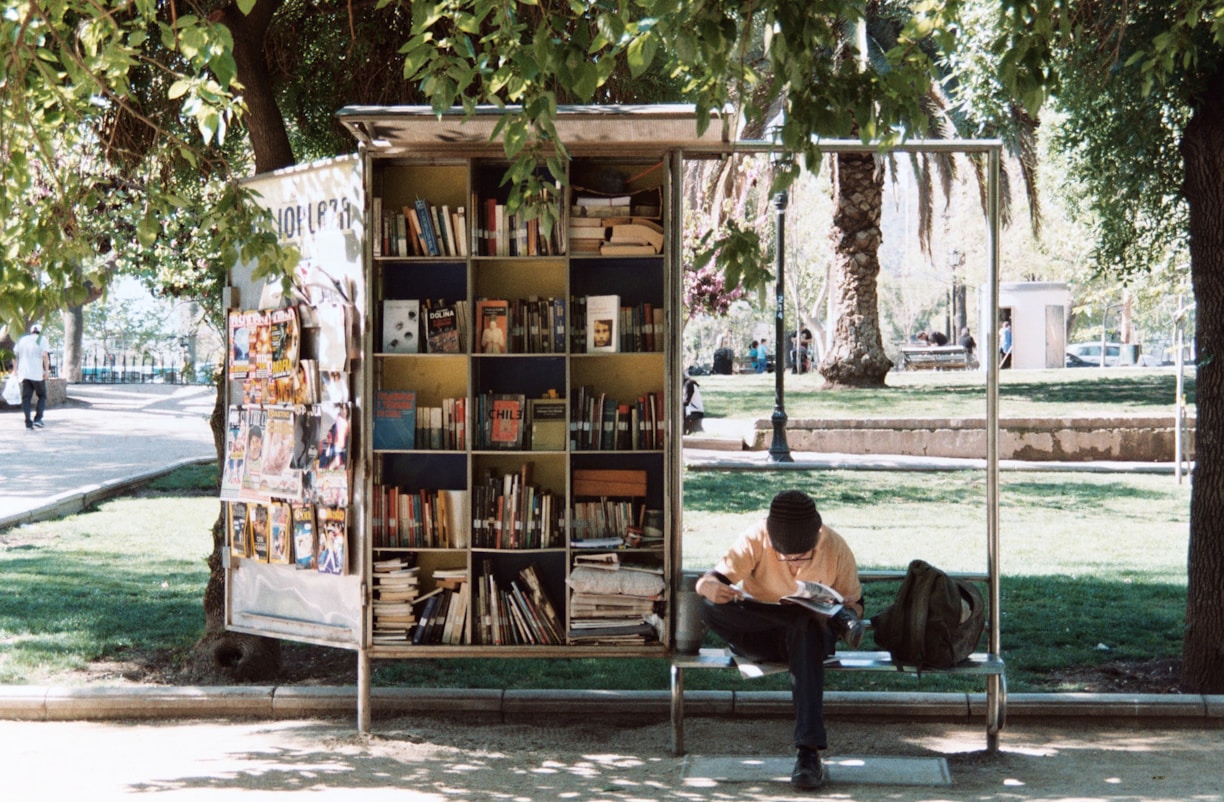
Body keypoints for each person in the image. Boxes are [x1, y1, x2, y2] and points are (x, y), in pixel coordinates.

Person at [696, 490, 863, 790]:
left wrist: (847, 610)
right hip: (761, 633)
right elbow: (711, 581)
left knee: (806, 626)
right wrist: (708, 587)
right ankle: (797, 619)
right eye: (786, 555)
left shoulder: (834, 545)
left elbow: (857, 604)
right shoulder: (755, 537)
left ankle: (808, 755)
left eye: (803, 555)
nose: (795, 562)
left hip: (811, 637)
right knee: (708, 607)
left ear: (817, 534)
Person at [13, 323, 51, 431]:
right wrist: (46, 371)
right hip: (37, 373)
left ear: (31, 331)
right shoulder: (42, 339)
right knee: (42, 396)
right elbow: (44, 355)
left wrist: (15, 370)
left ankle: (28, 423)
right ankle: (38, 419)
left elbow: (15, 355)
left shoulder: (22, 340)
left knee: (26, 398)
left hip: (24, 373)